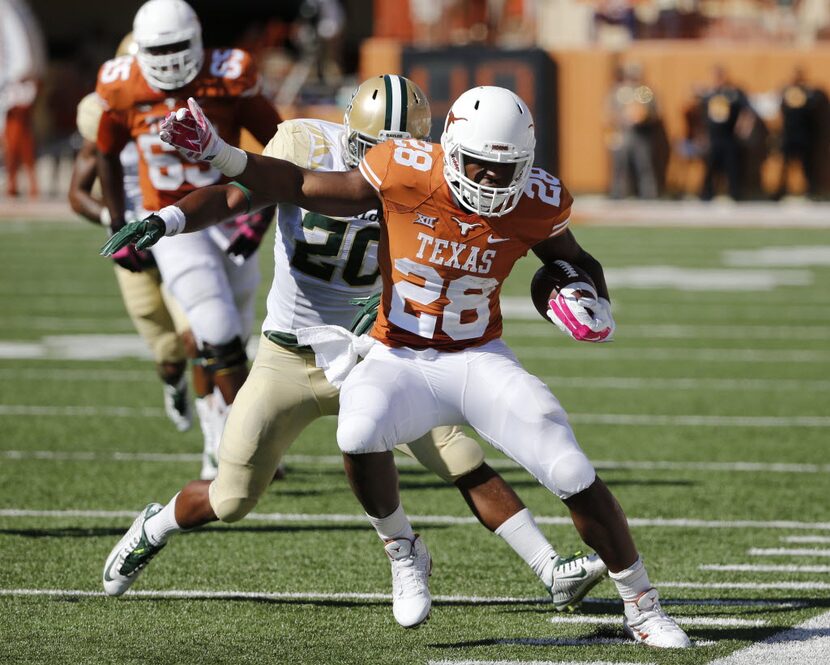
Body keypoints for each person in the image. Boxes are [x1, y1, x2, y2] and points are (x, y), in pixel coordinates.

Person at [104, 84, 692, 648]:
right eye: (478, 164)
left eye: (503, 168)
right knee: (298, 463)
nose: (489, 180)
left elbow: (573, 259)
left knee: (561, 468)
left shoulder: (535, 199)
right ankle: (401, 552)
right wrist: (211, 163)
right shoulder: (389, 167)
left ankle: (633, 603)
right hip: (345, 350)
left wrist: (589, 298)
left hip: (467, 354)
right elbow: (288, 181)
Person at [94, 0, 282, 479]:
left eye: (180, 46)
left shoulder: (230, 73)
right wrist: (119, 222)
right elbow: (105, 152)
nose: (173, 59)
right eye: (161, 48)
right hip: (170, 221)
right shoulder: (120, 85)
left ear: (199, 41)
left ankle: (217, 438)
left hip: (229, 211)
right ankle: (241, 444)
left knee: (236, 332)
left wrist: (261, 212)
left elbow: (281, 142)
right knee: (212, 326)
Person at [69, 36, 192, 432]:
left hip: (180, 235)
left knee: (202, 338)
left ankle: (228, 438)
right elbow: (77, 194)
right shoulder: (106, 115)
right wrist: (115, 223)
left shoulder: (186, 111)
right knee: (170, 354)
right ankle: (175, 384)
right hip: (133, 246)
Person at [699, 66, 750, 201]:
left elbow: (746, 110)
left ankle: (735, 194)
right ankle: (707, 194)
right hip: (713, 136)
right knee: (710, 166)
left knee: (732, 166)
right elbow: (702, 115)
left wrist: (743, 127)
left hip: (729, 136)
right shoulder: (709, 94)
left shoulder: (733, 93)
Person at [775, 67, 827, 200]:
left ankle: (811, 190)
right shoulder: (786, 92)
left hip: (805, 134)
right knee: (785, 164)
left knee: (807, 165)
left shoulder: (810, 92)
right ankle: (781, 190)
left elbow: (819, 101)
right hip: (788, 134)